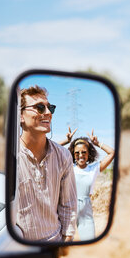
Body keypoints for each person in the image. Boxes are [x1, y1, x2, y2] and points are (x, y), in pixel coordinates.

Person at [17, 85, 77, 242]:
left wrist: (67, 238)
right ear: (20, 115)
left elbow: (68, 203)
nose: (48, 113)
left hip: (52, 246)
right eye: (39, 107)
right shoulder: (9, 155)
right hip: (13, 250)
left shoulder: (63, 155)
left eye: (50, 107)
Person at [67, 129, 115, 240]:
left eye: (84, 152)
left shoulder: (94, 169)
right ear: (73, 154)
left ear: (89, 153)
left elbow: (112, 153)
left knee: (88, 240)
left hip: (85, 210)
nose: (80, 155)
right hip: (68, 208)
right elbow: (48, 151)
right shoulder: (68, 167)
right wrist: (67, 141)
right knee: (64, 244)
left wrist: (98, 144)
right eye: (77, 153)